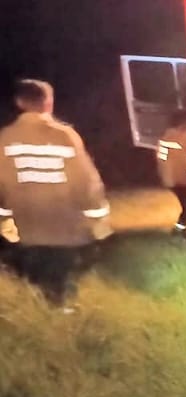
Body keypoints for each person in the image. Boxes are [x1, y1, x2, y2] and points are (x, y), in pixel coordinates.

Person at [0, 78, 110, 308]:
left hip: (27, 223)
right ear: (48, 102)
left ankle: (43, 312)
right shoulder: (64, 136)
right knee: (62, 276)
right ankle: (61, 311)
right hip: (65, 223)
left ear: (19, 102)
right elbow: (86, 179)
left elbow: (3, 182)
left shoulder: (5, 138)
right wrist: (97, 215)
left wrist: (5, 218)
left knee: (37, 277)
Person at [157, 109, 186, 234]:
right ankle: (180, 228)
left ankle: (181, 227)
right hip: (180, 179)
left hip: (170, 178)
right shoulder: (184, 137)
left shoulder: (167, 136)